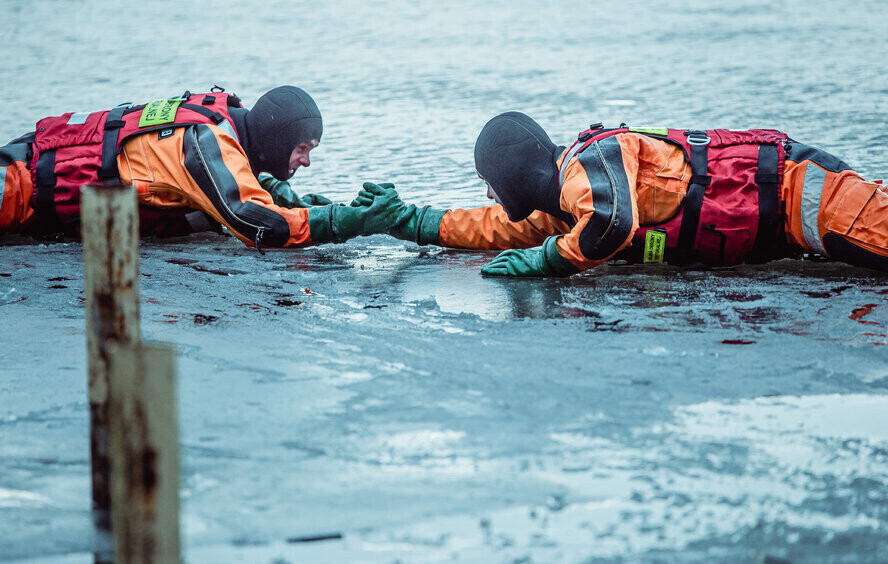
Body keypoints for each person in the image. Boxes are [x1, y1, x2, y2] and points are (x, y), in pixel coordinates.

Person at [376, 112, 888, 276]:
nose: (487, 192)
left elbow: (613, 222)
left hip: (811, 197)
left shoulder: (591, 162)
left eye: (488, 180)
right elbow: (490, 228)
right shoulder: (563, 208)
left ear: (511, 172)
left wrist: (548, 262)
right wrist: (412, 221)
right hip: (795, 225)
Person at [0, 85, 400, 252]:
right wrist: (344, 222)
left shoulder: (228, 137)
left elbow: (251, 194)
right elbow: (258, 223)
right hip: (16, 184)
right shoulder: (205, 142)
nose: (306, 161)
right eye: (302, 148)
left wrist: (314, 206)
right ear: (277, 141)